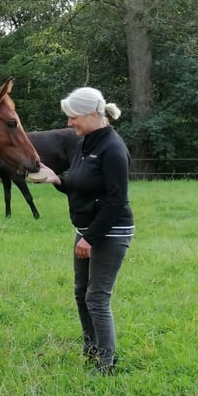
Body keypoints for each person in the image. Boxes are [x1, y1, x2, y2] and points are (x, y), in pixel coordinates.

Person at [35, 87, 135, 375]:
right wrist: (56, 179)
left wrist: (91, 238)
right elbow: (81, 184)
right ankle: (90, 350)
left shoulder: (113, 149)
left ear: (93, 114)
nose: (69, 123)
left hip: (110, 232)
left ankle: (107, 363)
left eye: (73, 117)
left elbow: (116, 199)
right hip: (86, 229)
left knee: (97, 297)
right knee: (82, 293)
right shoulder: (85, 143)